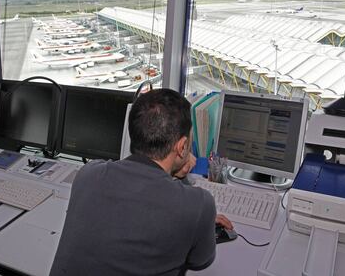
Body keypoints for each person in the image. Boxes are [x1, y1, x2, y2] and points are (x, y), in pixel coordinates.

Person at [50, 88, 233, 276]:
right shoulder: (198, 205)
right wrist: (201, 223)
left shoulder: (87, 174)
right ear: (182, 146)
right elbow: (200, 261)